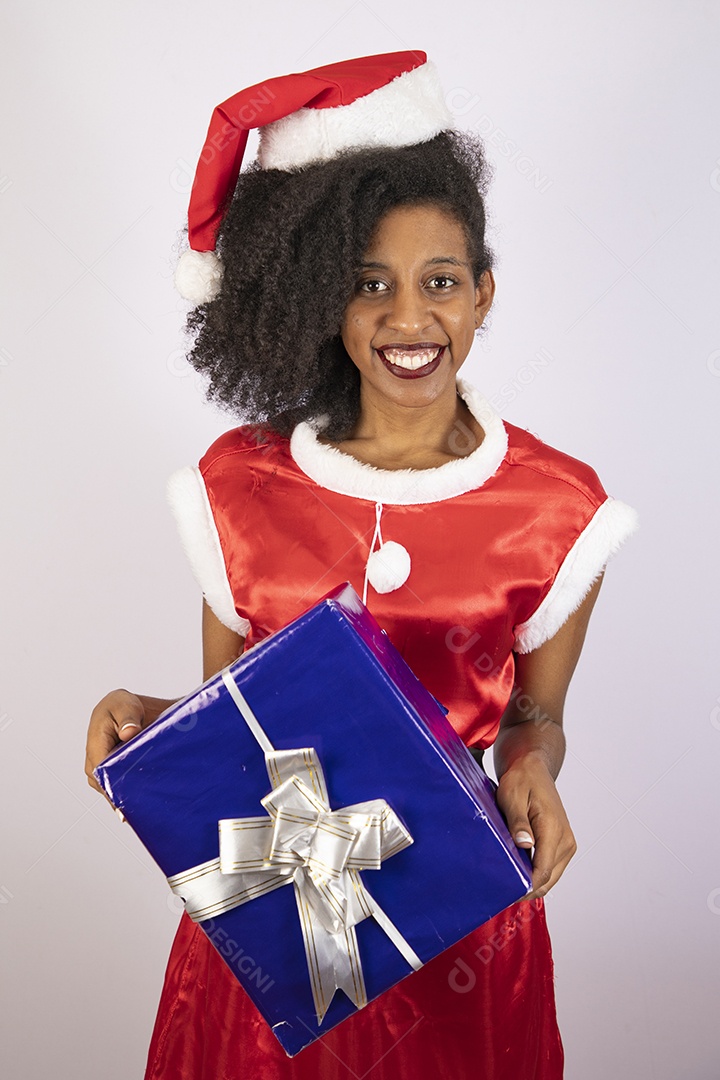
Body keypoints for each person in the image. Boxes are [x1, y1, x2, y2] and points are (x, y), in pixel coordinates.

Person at [85, 52, 638, 1079]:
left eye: (440, 283)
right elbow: (232, 709)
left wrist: (530, 770)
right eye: (368, 285)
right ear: (322, 302)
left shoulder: (557, 506)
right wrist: (145, 720)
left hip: (455, 921)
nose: (407, 318)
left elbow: (535, 719)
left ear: (484, 296)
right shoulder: (240, 485)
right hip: (274, 928)